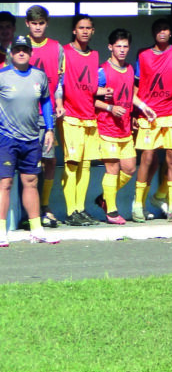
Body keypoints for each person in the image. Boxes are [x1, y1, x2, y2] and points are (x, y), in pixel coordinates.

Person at [132, 18, 172, 224]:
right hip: (149, 115)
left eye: (165, 29)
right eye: (158, 29)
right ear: (153, 33)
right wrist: (137, 109)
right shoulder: (143, 55)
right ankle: (137, 205)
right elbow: (136, 86)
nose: (162, 32)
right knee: (147, 159)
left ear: (171, 33)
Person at [0, 35, 59, 245]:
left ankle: (36, 228)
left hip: (32, 138)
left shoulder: (39, 76)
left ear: (31, 52)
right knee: (5, 183)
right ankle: (1, 230)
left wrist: (50, 129)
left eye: (25, 49)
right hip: (6, 138)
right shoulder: (2, 76)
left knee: (31, 182)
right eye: (17, 50)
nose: (21, 53)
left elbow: (46, 103)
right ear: (11, 53)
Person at [94, 29, 155, 224]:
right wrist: (110, 108)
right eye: (118, 46)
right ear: (110, 47)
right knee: (112, 169)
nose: (122, 50)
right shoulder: (102, 71)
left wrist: (144, 108)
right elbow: (90, 100)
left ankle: (105, 197)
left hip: (125, 129)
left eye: (125, 46)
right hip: (106, 127)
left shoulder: (129, 69)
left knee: (128, 169)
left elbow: (130, 94)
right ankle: (111, 211)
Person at [60, 15, 102, 226]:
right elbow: (60, 82)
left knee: (86, 166)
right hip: (71, 116)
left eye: (88, 28)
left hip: (90, 117)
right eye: (81, 28)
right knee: (72, 164)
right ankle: (70, 212)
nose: (85, 31)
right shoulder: (64, 52)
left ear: (93, 31)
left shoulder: (95, 55)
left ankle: (80, 208)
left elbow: (92, 86)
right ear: (74, 31)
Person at [25, 5, 63, 228]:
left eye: (41, 23)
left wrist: (58, 101)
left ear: (46, 24)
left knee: (49, 159)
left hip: (45, 113)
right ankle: (29, 212)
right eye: (34, 23)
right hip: (24, 115)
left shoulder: (57, 48)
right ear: (27, 24)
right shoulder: (20, 47)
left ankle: (44, 205)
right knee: (29, 163)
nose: (38, 27)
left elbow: (60, 79)